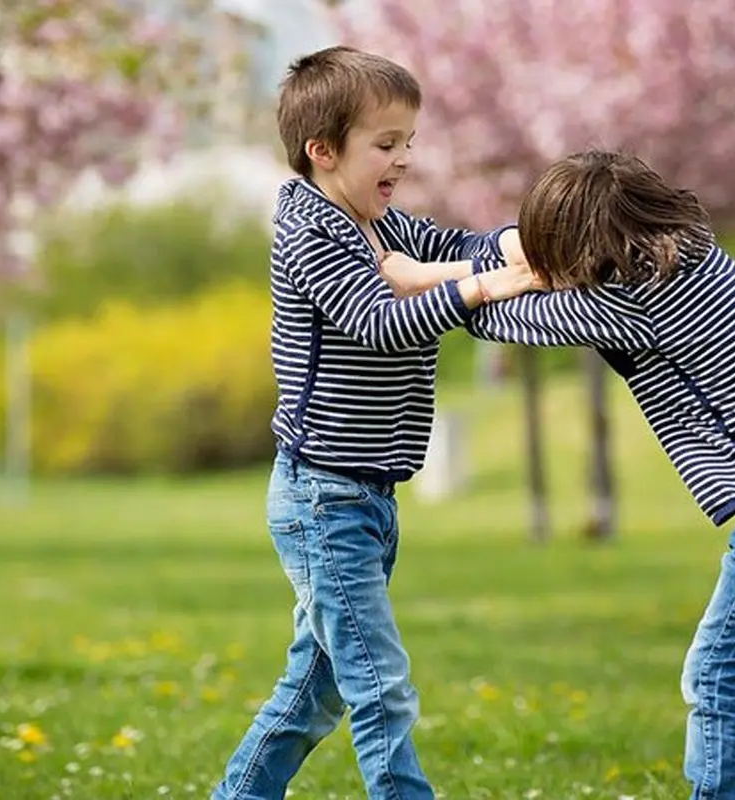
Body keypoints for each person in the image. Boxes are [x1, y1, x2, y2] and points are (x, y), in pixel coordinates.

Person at [381, 149, 735, 800]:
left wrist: (411, 278)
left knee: (718, 674)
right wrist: (484, 262)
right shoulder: (693, 256)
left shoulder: (638, 300)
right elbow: (535, 280)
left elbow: (498, 314)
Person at [211, 46, 536, 800]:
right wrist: (481, 290)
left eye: (409, 143)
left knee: (317, 690)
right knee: (378, 682)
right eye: (385, 145)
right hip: (322, 497)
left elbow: (460, 247)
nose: (404, 159)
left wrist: (530, 243)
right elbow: (376, 322)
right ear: (323, 151)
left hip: (366, 498)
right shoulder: (310, 231)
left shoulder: (376, 221)